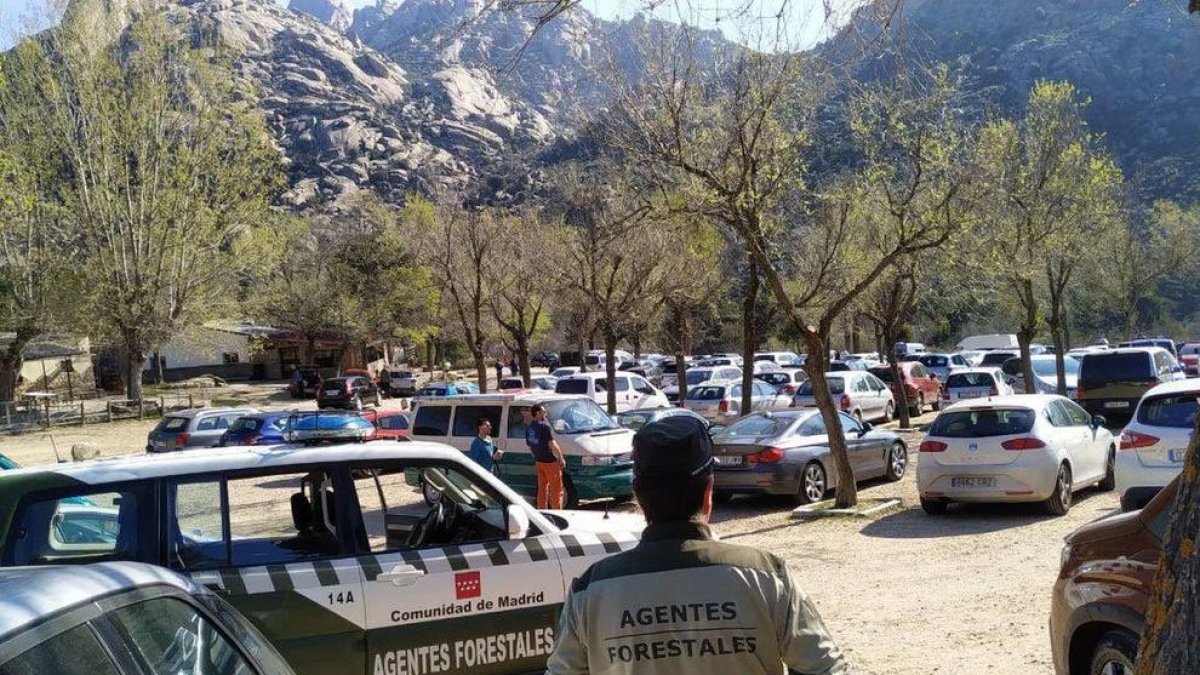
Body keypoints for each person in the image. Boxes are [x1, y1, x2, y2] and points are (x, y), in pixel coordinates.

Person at [546, 416, 850, 675]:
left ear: (637, 496)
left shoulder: (591, 591)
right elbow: (825, 667)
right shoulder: (766, 576)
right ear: (709, 491)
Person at [524, 404, 565, 509]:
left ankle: (542, 511)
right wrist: (560, 457)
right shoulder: (544, 427)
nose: (545, 414)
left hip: (539, 461)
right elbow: (552, 444)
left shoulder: (528, 428)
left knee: (542, 489)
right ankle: (557, 513)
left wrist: (536, 457)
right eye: (543, 412)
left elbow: (530, 446)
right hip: (550, 462)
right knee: (556, 490)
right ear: (537, 413)